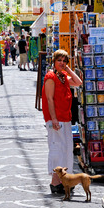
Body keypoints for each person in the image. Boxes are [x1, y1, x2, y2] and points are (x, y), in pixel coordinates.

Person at [42, 49, 82, 194]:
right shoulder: (50, 77)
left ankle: (64, 181)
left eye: (65, 61)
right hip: (56, 119)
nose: (62, 63)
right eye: (59, 60)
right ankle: (55, 182)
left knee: (66, 149)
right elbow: (49, 99)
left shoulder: (64, 76)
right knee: (57, 149)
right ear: (54, 61)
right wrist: (53, 119)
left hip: (66, 118)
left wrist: (68, 69)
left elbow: (78, 82)